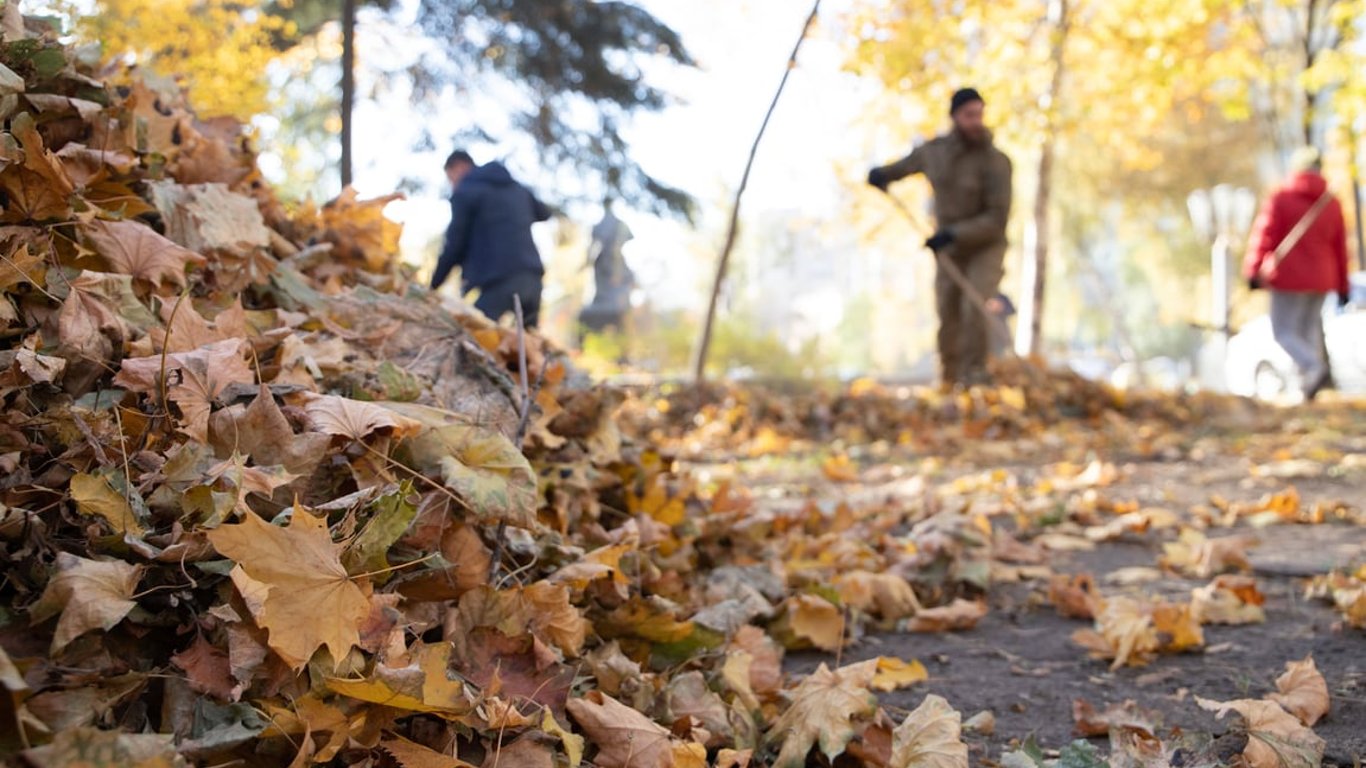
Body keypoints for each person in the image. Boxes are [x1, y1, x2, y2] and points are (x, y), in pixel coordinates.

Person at [868, 87, 1013, 387]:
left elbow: (996, 220)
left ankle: (976, 378)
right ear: (955, 117)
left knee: (974, 305)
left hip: (985, 245)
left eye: (979, 114)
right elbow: (905, 166)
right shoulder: (935, 153)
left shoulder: (996, 161)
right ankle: (949, 379)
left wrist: (953, 234)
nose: (976, 121)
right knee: (947, 310)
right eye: (969, 115)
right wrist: (881, 174)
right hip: (949, 248)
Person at [1243, 146, 1349, 401]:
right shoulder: (1331, 203)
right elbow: (1341, 248)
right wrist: (1343, 286)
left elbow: (1264, 236)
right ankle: (1304, 388)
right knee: (1308, 331)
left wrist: (1253, 271)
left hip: (1289, 277)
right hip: (1323, 278)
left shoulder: (1282, 198)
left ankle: (1313, 368)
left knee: (1284, 332)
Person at [429, 150, 552, 327]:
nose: (452, 184)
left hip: (498, 281)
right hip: (532, 277)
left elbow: (455, 245)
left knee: (472, 336)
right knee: (528, 344)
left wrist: (433, 286)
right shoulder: (517, 188)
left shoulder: (467, 191)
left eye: (451, 178)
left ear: (460, 167)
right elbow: (544, 213)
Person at [579, 200, 636, 335]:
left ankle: (622, 345)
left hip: (614, 302)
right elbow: (593, 247)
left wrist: (617, 272)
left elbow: (615, 247)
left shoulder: (621, 266)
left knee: (619, 312)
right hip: (604, 294)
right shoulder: (603, 263)